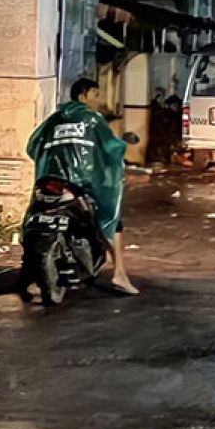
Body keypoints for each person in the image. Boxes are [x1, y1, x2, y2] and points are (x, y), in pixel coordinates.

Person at [23, 77, 138, 295]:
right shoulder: (92, 119)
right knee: (111, 219)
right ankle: (120, 274)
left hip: (49, 181)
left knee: (31, 219)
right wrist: (123, 147)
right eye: (96, 95)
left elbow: (32, 146)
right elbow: (111, 147)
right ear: (82, 96)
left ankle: (29, 275)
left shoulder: (54, 119)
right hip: (83, 183)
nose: (99, 100)